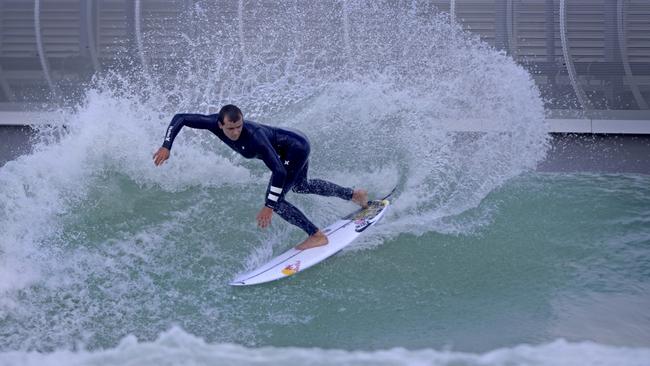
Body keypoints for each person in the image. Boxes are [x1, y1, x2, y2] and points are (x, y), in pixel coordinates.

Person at [153, 104, 368, 250]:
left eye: (239, 126)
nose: (236, 132)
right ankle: (354, 195)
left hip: (295, 148)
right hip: (290, 146)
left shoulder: (255, 137)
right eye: (231, 128)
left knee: (277, 202)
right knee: (301, 186)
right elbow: (180, 118)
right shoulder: (212, 123)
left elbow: (280, 172)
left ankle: (316, 235)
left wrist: (268, 205)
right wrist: (166, 146)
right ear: (220, 125)